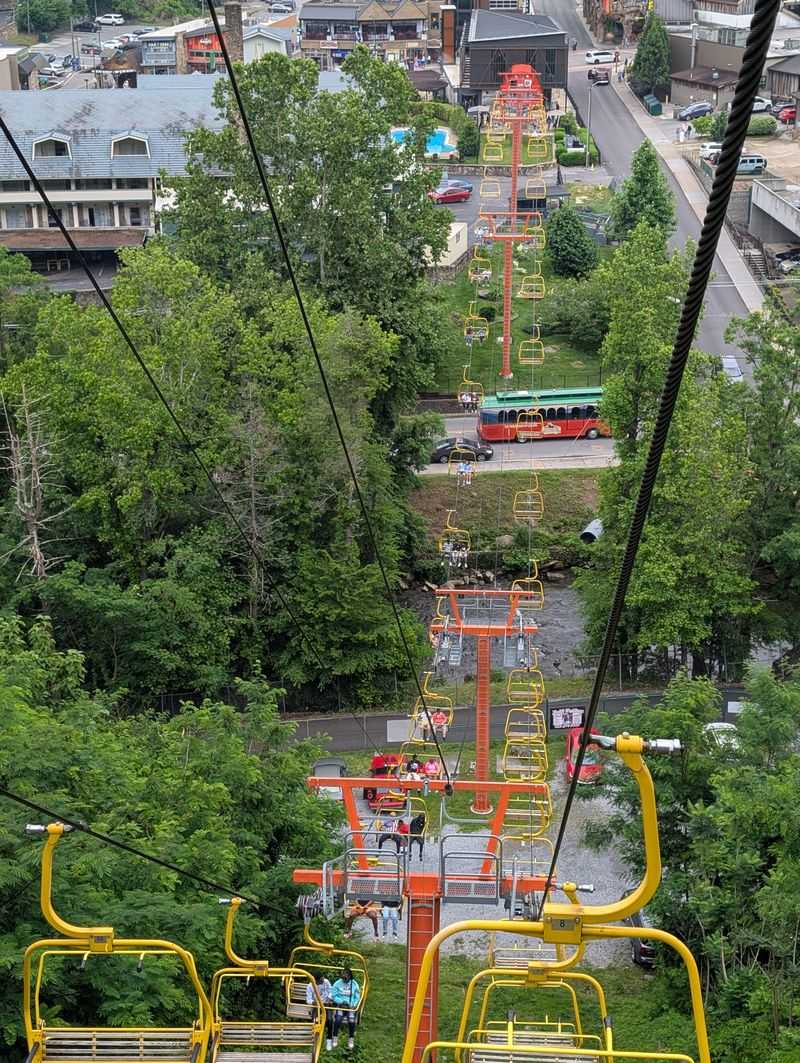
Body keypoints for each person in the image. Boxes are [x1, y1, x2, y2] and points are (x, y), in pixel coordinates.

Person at [331, 967, 362, 1050]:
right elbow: (334, 996)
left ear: (349, 976)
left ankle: (351, 1039)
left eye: (345, 977)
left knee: (352, 1021)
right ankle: (335, 1037)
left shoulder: (354, 984)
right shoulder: (337, 984)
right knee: (337, 1020)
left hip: (350, 1007)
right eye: (342, 977)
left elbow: (357, 996)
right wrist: (340, 1002)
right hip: (341, 1005)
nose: (344, 979)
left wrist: (353, 1004)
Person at [307, 972, 334, 1050]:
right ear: (316, 981)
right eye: (321, 980)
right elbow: (308, 1000)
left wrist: (329, 998)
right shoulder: (310, 986)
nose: (323, 980)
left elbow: (331, 991)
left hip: (326, 1005)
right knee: (315, 1020)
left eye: (323, 978)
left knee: (330, 1020)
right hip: (317, 1006)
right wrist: (313, 1002)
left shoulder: (326, 982)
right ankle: (315, 1039)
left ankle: (329, 1039)